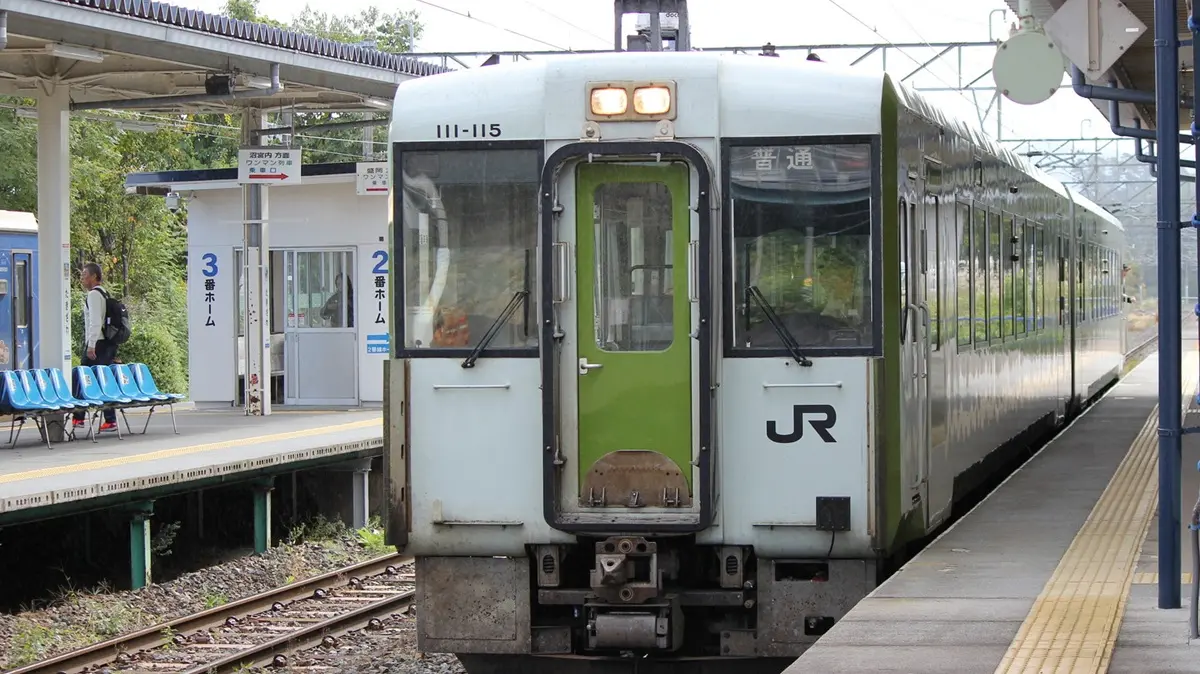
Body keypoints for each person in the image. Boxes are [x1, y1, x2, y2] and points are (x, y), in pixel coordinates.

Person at [73, 262, 117, 433]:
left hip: (97, 344)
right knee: (103, 380)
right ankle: (110, 419)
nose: (82, 278)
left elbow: (95, 322)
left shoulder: (93, 295)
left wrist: (91, 346)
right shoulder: (104, 293)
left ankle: (79, 418)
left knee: (81, 378)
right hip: (107, 344)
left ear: (94, 276)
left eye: (84, 274)